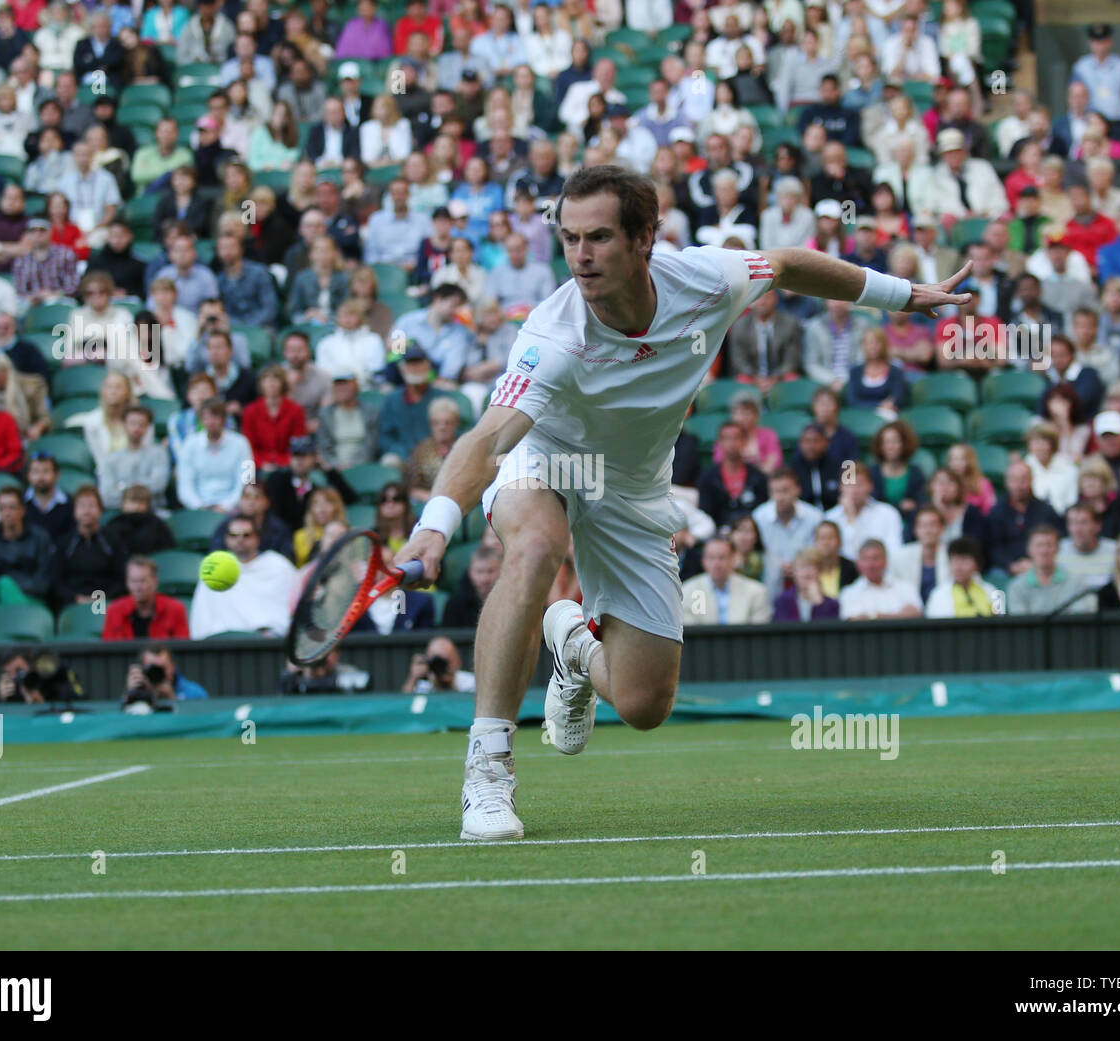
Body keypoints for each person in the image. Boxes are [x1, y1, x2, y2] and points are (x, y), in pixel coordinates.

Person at [390, 164, 970, 839]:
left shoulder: (706, 279)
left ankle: (572, 644)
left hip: (633, 488)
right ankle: (487, 771)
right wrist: (435, 526)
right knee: (536, 545)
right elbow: (487, 438)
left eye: (599, 237)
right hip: (545, 458)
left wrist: (904, 296)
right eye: (570, 237)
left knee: (643, 703)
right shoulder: (552, 336)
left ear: (644, 240)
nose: (581, 255)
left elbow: (786, 263)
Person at [188, 514, 297, 637]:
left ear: (257, 539)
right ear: (226, 539)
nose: (240, 540)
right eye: (233, 535)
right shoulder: (214, 567)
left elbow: (293, 609)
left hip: (268, 643)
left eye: (246, 535)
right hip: (222, 644)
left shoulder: (279, 565)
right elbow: (202, 616)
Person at [0, 485, 55, 610]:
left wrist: (13, 589)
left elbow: (44, 578)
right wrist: (6, 586)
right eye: (3, 508)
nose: (7, 513)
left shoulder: (40, 538)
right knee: (4, 583)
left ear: (22, 510)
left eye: (12, 507)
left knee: (7, 585)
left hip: (31, 597)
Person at [176, 398, 254, 512]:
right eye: (206, 418)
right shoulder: (189, 444)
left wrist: (228, 506)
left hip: (234, 508)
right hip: (198, 509)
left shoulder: (242, 442)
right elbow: (184, 484)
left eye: (215, 417)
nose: (211, 422)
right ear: (201, 421)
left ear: (224, 419)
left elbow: (248, 480)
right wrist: (198, 506)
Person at [681, 535, 771, 625]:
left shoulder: (756, 592)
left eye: (722, 558)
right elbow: (691, 633)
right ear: (703, 561)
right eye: (711, 558)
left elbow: (759, 635)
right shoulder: (688, 591)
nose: (717, 564)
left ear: (733, 559)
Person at [925, 537, 1002, 619]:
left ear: (977, 564)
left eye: (965, 561)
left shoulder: (993, 591)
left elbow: (1002, 621)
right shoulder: (937, 594)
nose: (958, 567)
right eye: (955, 560)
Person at [123, 645, 209, 704]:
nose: (157, 673)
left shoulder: (194, 693)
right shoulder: (136, 693)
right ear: (143, 671)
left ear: (172, 667)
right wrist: (131, 694)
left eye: (162, 668)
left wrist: (173, 699)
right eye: (152, 668)